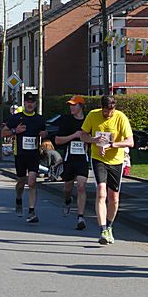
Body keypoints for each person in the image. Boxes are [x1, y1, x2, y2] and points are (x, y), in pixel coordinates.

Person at [79, 95, 134, 245]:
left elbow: (130, 141)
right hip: (99, 159)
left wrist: (112, 145)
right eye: (105, 111)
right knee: (101, 192)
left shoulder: (121, 117)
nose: (108, 114)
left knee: (114, 198)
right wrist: (93, 140)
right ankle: (103, 229)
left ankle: (109, 227)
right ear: (102, 108)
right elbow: (83, 135)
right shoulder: (93, 115)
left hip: (116, 161)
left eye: (111, 111)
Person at [1, 92, 47, 224]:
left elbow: (44, 133)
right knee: (21, 182)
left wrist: (44, 134)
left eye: (32, 102)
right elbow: (3, 133)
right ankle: (18, 198)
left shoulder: (39, 119)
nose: (30, 104)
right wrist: (15, 131)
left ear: (35, 104)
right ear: (24, 103)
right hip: (20, 154)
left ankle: (32, 211)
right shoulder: (16, 118)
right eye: (27, 102)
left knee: (32, 182)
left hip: (34, 155)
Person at [54, 95, 89, 230]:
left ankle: (80, 217)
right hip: (69, 159)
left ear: (81, 106)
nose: (71, 107)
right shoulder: (66, 120)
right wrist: (74, 136)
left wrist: (88, 140)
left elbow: (93, 138)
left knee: (81, 186)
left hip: (83, 159)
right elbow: (57, 140)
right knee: (68, 188)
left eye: (74, 105)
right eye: (70, 105)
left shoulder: (88, 121)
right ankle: (67, 200)